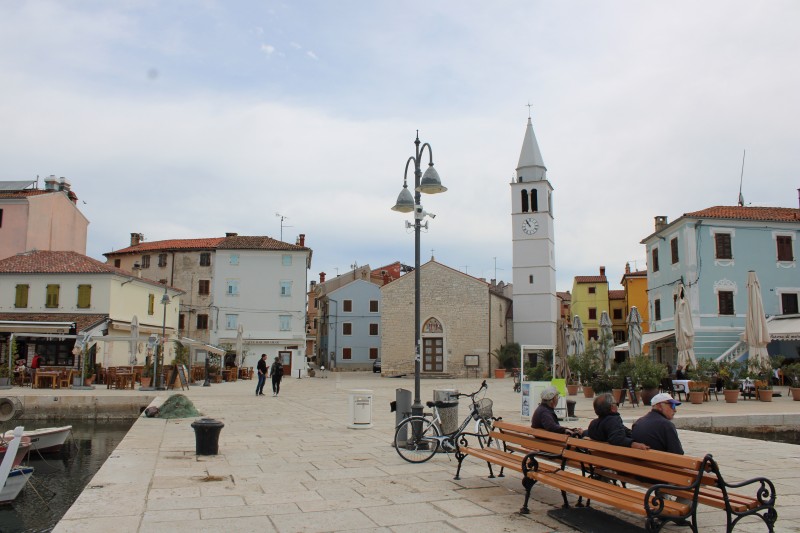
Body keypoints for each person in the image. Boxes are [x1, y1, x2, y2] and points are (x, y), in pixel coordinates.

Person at [585, 393, 649, 450]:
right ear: (612, 407)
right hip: (614, 457)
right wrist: (633, 444)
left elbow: (620, 430)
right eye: (616, 404)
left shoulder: (593, 424)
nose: (617, 406)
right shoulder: (613, 421)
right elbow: (616, 439)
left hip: (600, 456)